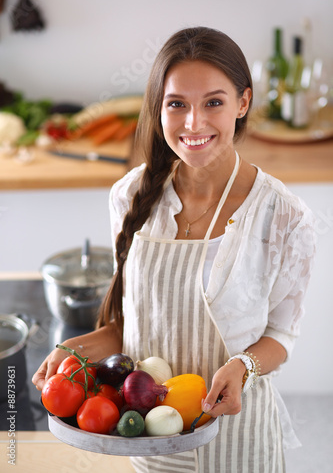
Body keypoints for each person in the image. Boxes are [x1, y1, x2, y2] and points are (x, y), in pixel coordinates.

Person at [33, 26, 316, 472]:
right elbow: (138, 326)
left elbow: (281, 336)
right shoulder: (130, 196)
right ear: (158, 108)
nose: (193, 124)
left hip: (237, 438)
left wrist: (242, 366)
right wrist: (74, 350)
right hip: (151, 439)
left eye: (214, 103)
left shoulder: (284, 215)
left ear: (243, 103)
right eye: (177, 104)